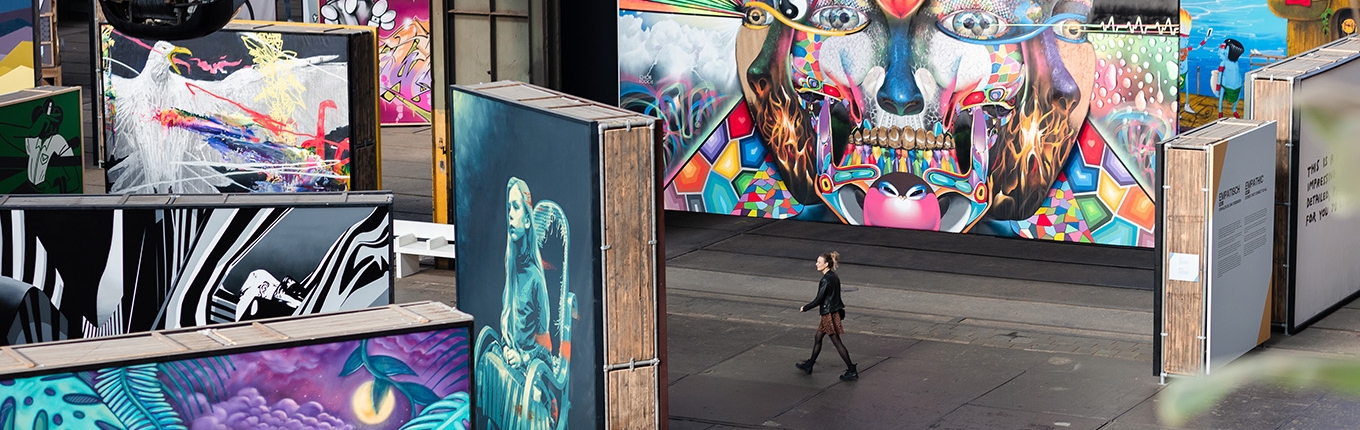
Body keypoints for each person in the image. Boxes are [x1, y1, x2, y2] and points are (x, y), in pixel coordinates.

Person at [796, 251, 858, 381]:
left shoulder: (825, 280)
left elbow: (819, 299)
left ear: (826, 264)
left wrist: (805, 308)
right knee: (818, 338)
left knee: (836, 342)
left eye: (819, 262)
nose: (816, 264)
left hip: (828, 314)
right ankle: (810, 364)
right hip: (832, 312)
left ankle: (852, 370)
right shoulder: (834, 276)